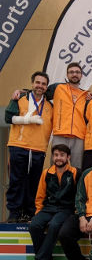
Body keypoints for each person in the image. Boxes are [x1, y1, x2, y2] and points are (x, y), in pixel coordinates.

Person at [11, 62, 89, 169]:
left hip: (79, 137)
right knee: (56, 167)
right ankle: (54, 186)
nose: (74, 74)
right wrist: (23, 92)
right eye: (71, 72)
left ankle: (74, 186)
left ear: (81, 75)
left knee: (77, 169)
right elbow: (39, 92)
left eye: (77, 72)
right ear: (67, 75)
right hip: (59, 135)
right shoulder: (58, 87)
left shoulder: (86, 95)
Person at [5, 71, 53, 222]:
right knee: (16, 181)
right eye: (38, 83)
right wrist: (28, 120)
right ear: (32, 84)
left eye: (44, 84)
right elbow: (8, 118)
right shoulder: (20, 98)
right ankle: (14, 213)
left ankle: (30, 212)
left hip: (38, 149)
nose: (40, 86)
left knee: (34, 183)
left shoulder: (50, 106)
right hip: (19, 146)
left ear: (47, 87)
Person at [28, 144, 79, 260]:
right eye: (56, 155)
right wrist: (38, 212)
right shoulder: (46, 172)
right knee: (34, 225)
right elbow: (40, 195)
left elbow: (79, 196)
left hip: (66, 209)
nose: (58, 158)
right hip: (48, 208)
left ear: (68, 157)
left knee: (54, 225)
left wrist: (76, 213)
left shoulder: (75, 172)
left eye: (62, 155)